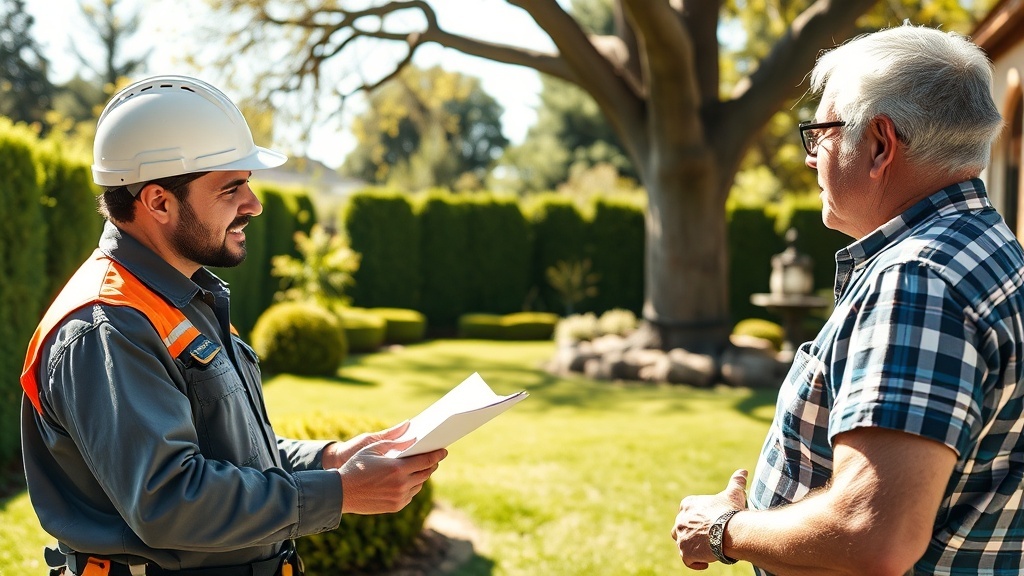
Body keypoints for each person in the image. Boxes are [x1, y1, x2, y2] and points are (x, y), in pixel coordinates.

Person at [20, 75, 447, 576]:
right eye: (231, 188)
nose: (254, 204)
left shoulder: (182, 299)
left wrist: (330, 459)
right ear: (158, 201)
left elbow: (226, 453)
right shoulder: (107, 327)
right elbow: (171, 501)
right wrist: (342, 492)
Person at [670, 24, 1024, 576]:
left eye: (823, 132)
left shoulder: (916, 280)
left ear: (880, 144)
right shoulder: (990, 249)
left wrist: (722, 530)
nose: (813, 158)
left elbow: (874, 533)